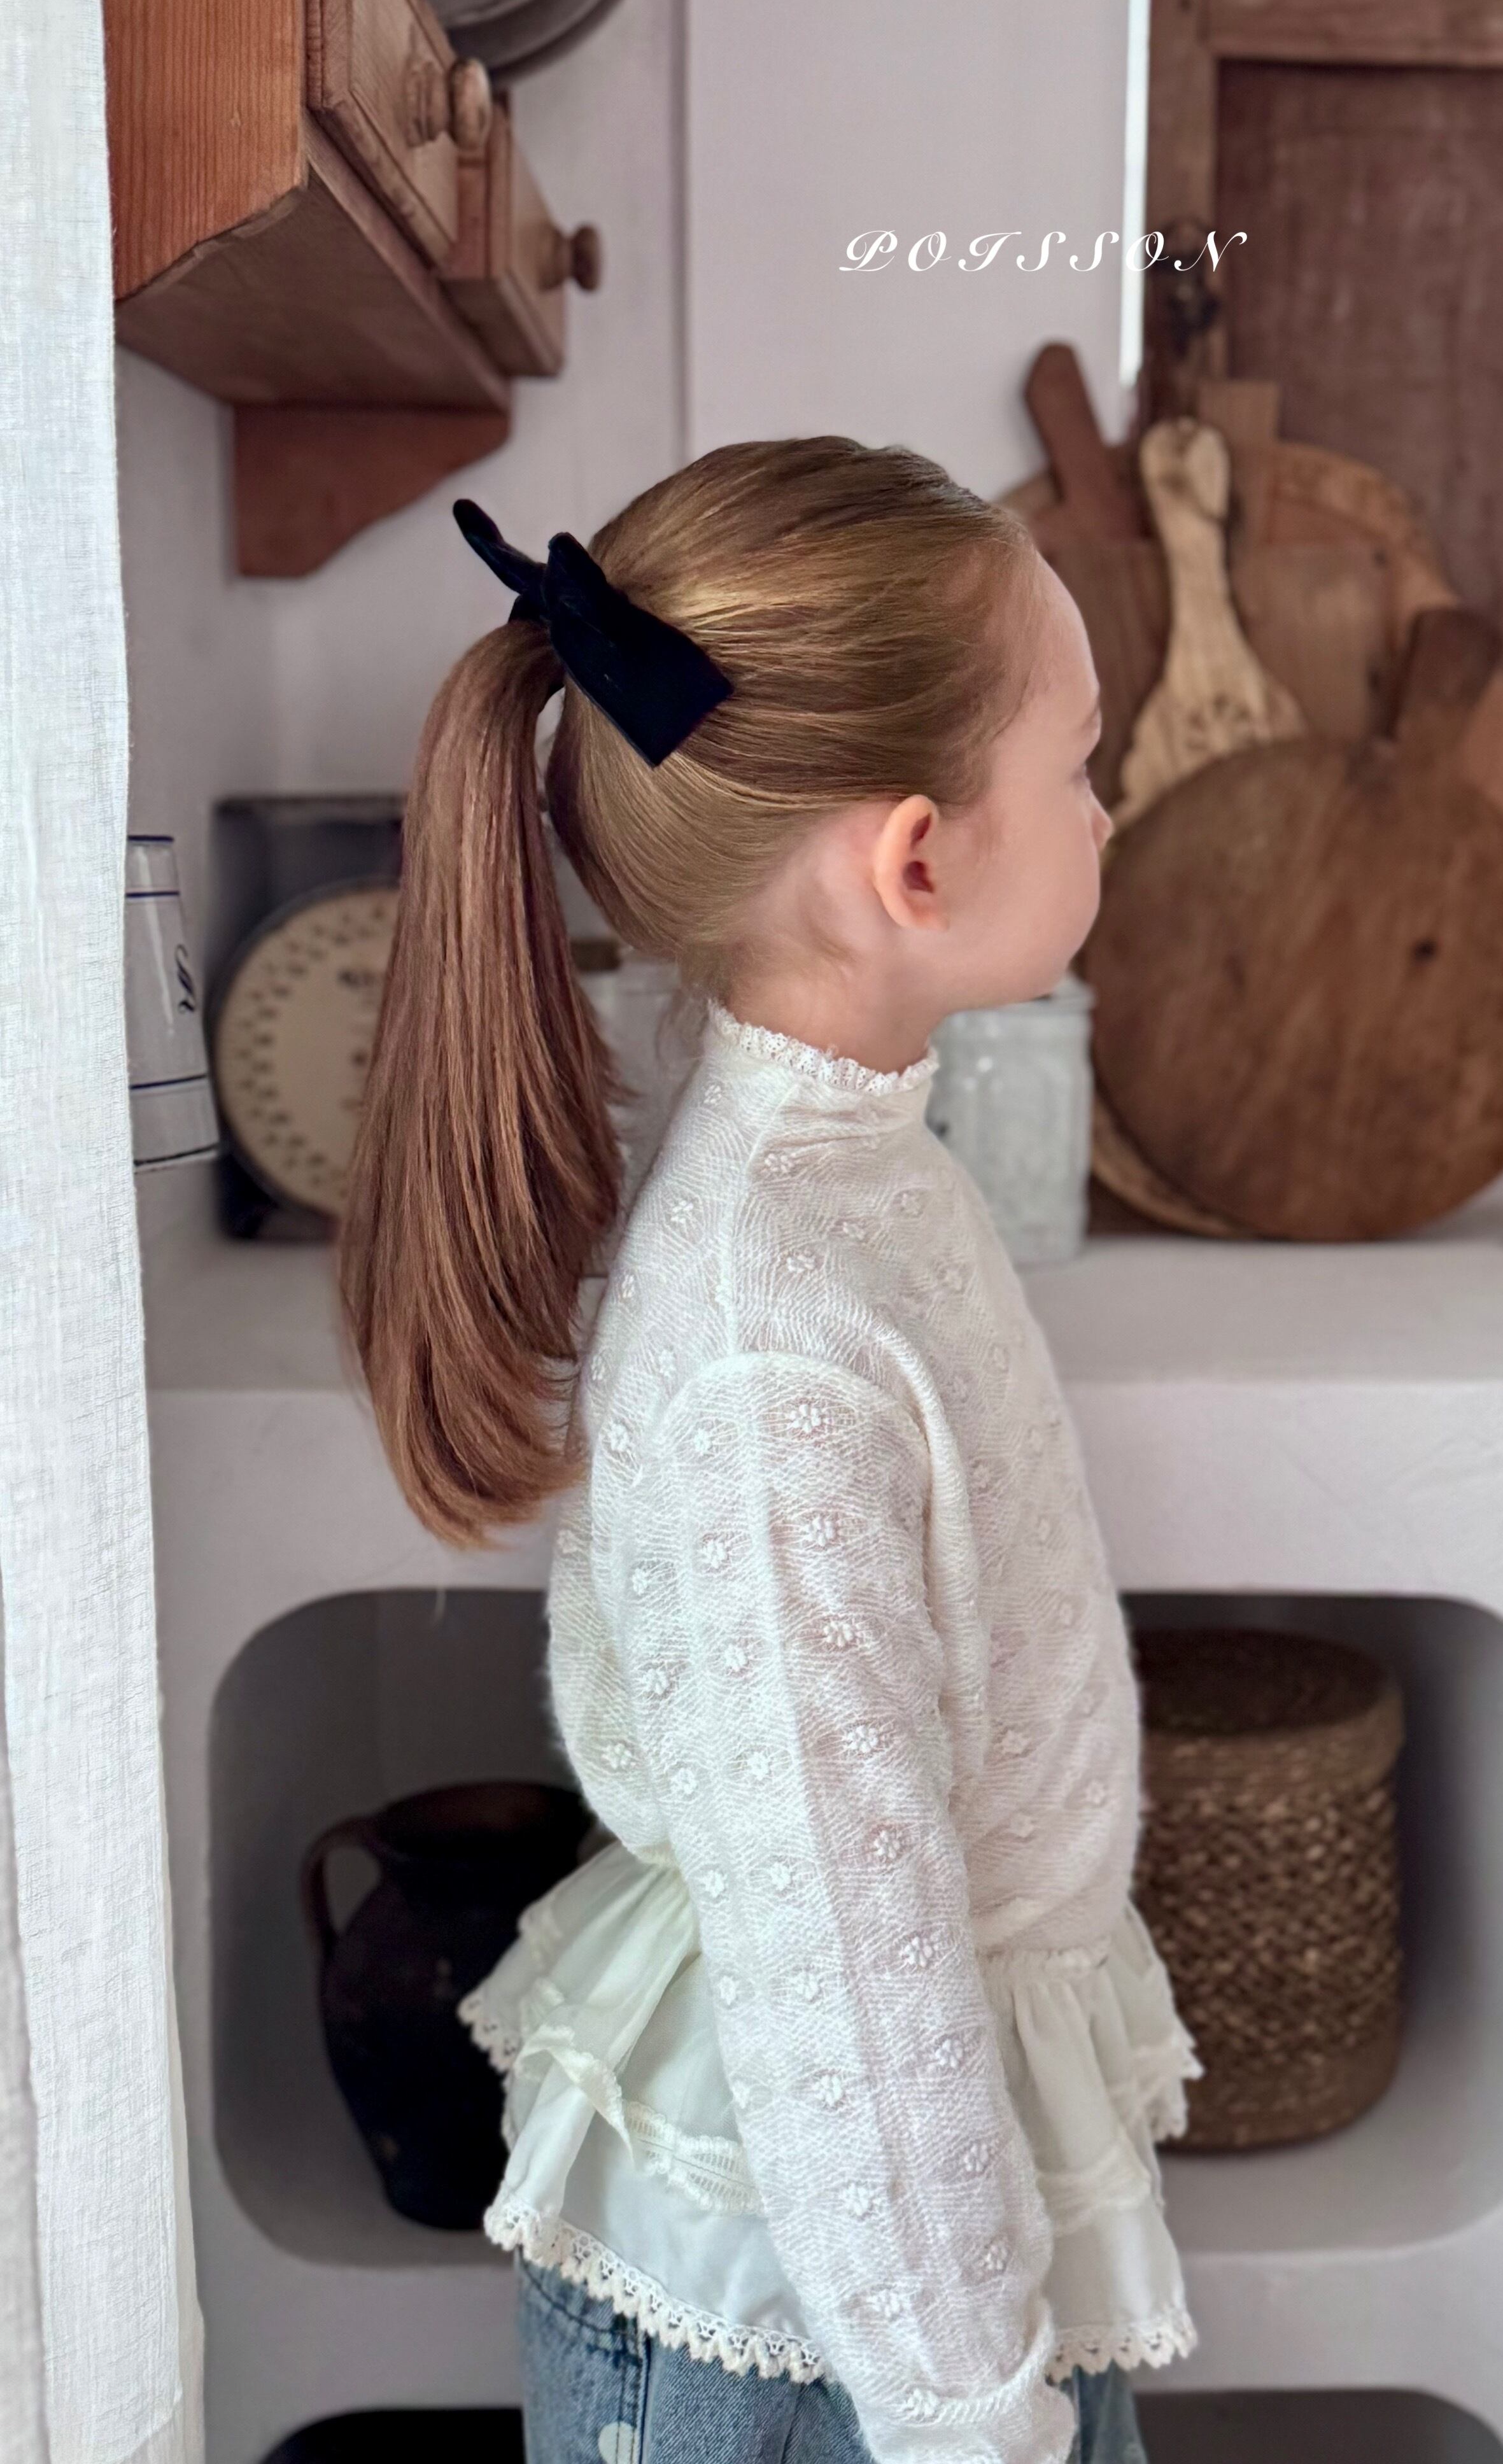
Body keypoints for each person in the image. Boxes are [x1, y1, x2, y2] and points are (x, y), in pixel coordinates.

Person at [337, 438, 1198, 2464]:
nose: (1106, 810)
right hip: (831, 2335)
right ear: (916, 863)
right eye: (1081, 765)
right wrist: (971, 2414)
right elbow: (844, 1958)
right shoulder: (773, 1337)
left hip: (890, 2276)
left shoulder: (856, 1190)